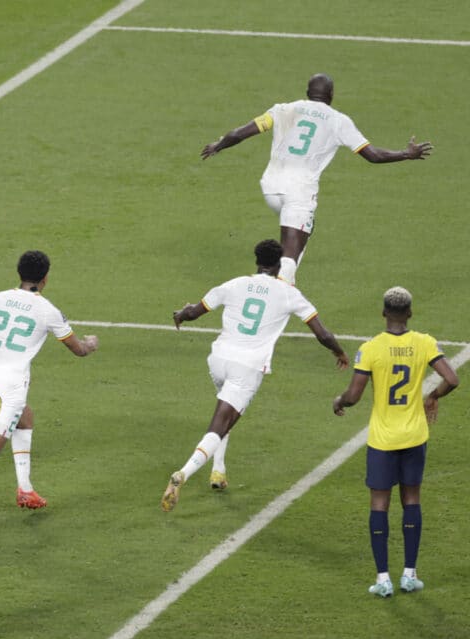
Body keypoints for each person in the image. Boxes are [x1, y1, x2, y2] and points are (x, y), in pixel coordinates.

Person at [161, 239, 348, 512]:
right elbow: (323, 334)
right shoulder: (287, 293)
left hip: (218, 360)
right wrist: (339, 352)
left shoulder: (234, 284)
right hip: (247, 368)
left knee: (225, 412)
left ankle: (219, 471)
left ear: (256, 260)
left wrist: (180, 314)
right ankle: (183, 474)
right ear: (280, 261)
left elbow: (194, 311)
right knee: (220, 425)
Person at [201, 73, 433, 285]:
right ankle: (275, 291)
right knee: (289, 256)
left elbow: (238, 134)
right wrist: (406, 154)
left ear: (307, 92)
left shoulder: (283, 109)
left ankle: (280, 281)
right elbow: (372, 155)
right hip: (299, 193)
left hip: (270, 188)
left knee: (305, 231)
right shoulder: (338, 120)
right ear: (331, 95)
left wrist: (217, 145)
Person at [332, 287, 458, 598]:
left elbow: (354, 395)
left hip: (383, 439)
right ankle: (410, 575)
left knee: (379, 504)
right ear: (410, 313)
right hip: (415, 435)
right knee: (411, 499)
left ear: (384, 313)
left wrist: (340, 401)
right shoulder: (425, 343)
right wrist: (433, 396)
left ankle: (383, 579)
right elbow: (452, 379)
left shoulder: (371, 348)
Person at [0, 250, 97, 509]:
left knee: (26, 418)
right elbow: (78, 349)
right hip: (10, 390)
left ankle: (25, 488)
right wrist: (90, 343)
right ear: (44, 279)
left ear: (19, 274)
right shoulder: (48, 311)